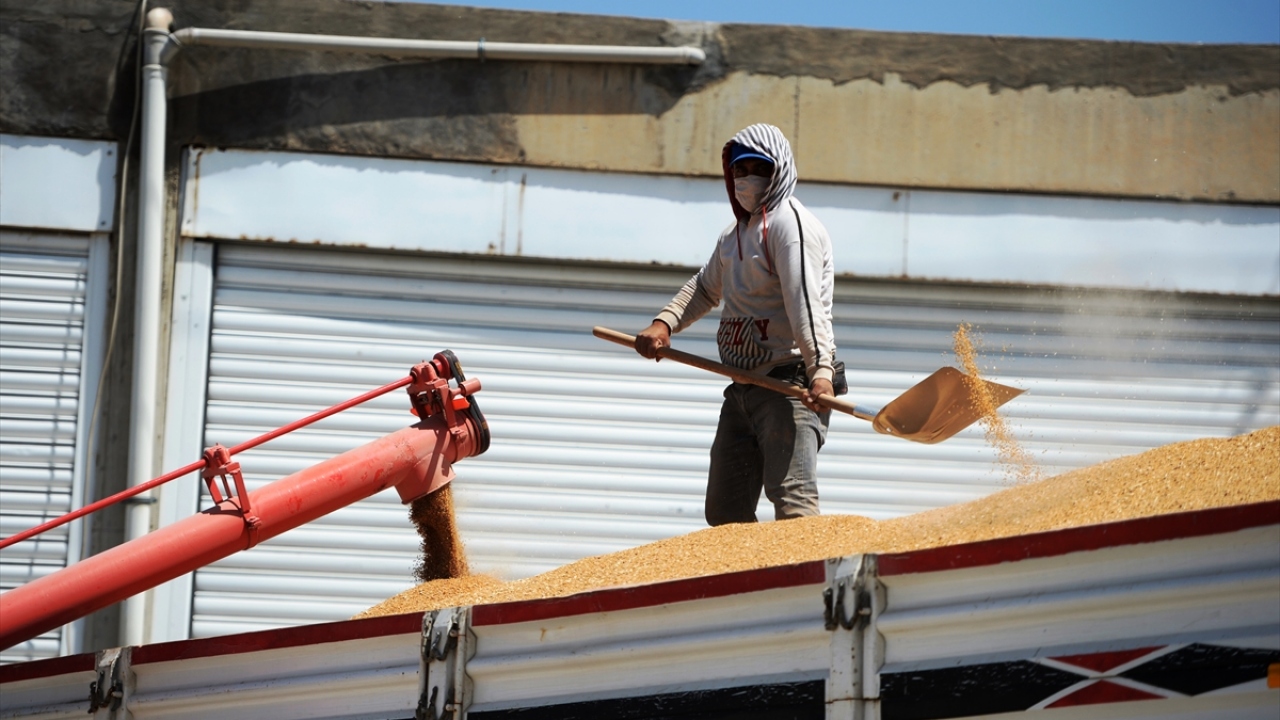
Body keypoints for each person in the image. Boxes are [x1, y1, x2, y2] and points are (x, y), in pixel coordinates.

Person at [634, 123, 838, 526]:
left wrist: (821, 372)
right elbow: (706, 288)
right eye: (738, 170)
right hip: (743, 388)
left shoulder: (788, 227)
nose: (745, 179)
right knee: (726, 511)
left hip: (789, 388)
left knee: (793, 505)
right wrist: (665, 323)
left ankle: (802, 586)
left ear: (778, 170)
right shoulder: (735, 235)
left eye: (755, 168)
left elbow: (806, 306)